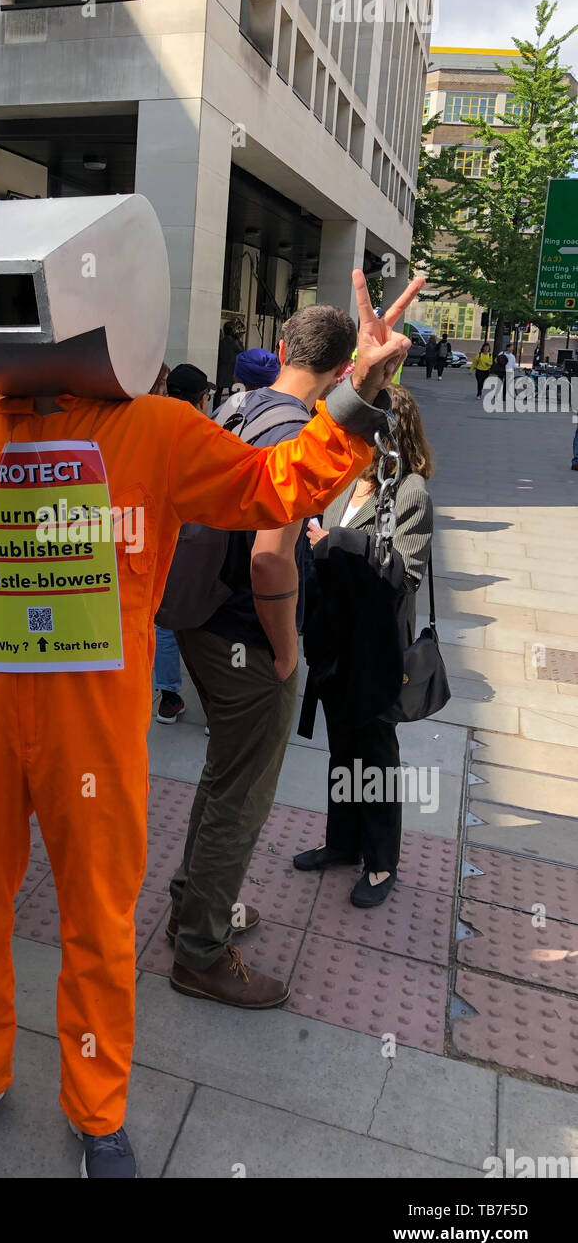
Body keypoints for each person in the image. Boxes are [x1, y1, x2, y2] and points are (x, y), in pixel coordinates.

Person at [0, 202, 421, 1178]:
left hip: (95, 728)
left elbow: (276, 487)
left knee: (99, 923)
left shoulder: (155, 430)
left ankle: (97, 1103)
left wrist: (358, 393)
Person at [167, 305, 356, 1009]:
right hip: (248, 637)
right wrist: (287, 650)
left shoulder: (237, 406)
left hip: (199, 617)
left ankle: (195, 909)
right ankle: (199, 953)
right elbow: (270, 561)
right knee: (240, 797)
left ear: (280, 348)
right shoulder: (295, 432)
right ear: (341, 372)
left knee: (222, 775)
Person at [294, 384, 434, 907]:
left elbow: (403, 574)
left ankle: (380, 862)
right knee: (342, 752)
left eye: (359, 425)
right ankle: (342, 844)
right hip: (335, 642)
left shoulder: (410, 491)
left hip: (376, 651)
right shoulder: (346, 478)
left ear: (387, 433)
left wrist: (333, 544)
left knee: (374, 758)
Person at [154, 363, 214, 724]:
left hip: (154, 533)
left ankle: (169, 697)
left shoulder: (148, 424)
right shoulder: (202, 430)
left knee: (165, 622)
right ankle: (212, 705)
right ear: (201, 399)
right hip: (195, 537)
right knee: (202, 620)